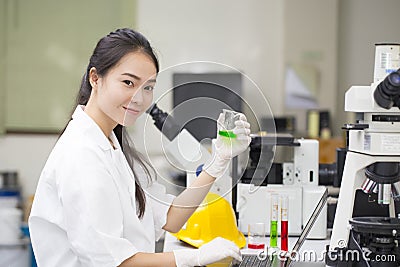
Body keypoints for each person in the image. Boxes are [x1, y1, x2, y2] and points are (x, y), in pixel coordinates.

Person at [29, 28, 251, 267]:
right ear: (95, 78)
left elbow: (171, 218)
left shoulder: (111, 144)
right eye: (128, 82)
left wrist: (218, 161)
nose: (139, 98)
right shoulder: (82, 156)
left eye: (148, 87)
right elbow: (113, 262)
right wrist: (193, 258)